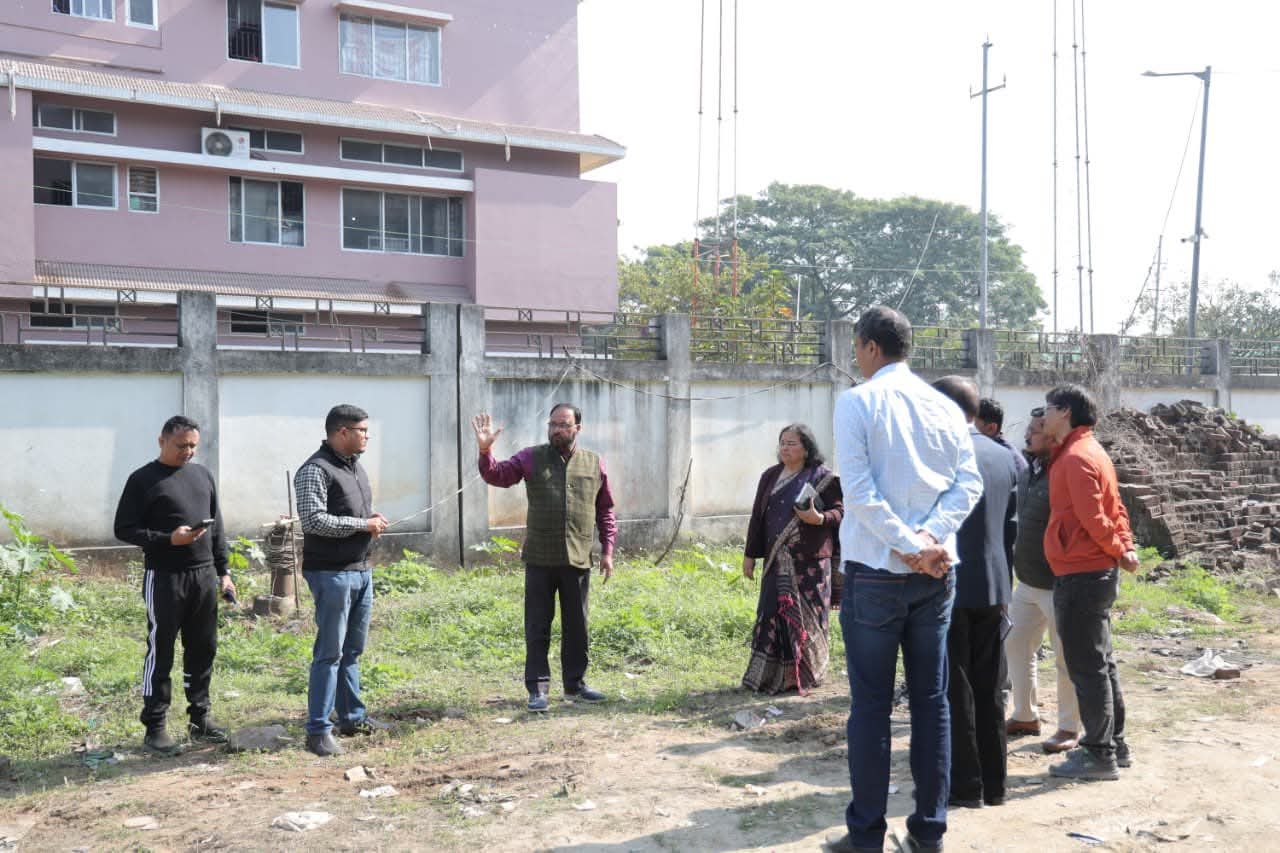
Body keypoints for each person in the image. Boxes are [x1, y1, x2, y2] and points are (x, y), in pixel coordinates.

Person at [825, 307, 984, 853]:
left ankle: (866, 835)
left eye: (856, 347)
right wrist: (929, 541)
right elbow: (968, 486)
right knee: (930, 701)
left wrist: (914, 547)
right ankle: (929, 832)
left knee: (870, 707)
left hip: (878, 573)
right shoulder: (945, 406)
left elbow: (861, 495)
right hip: (935, 574)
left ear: (869, 347)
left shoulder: (858, 401)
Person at [473, 404, 617, 712]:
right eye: (552, 424)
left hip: (577, 559)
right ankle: (537, 689)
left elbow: (605, 509)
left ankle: (575, 685)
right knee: (537, 625)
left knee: (578, 625)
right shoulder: (530, 457)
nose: (555, 430)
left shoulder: (594, 463)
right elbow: (497, 475)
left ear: (578, 428)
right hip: (540, 559)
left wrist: (608, 550)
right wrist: (486, 452)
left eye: (563, 425)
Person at [114, 415, 236, 754]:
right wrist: (169, 539)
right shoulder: (142, 480)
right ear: (162, 441)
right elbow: (124, 529)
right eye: (182, 446)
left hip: (204, 576)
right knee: (161, 651)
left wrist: (224, 572)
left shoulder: (202, 475)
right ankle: (155, 727)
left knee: (203, 648)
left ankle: (201, 718)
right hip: (164, 578)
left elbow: (218, 527)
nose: (188, 452)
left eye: (193, 446)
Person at [1041, 384, 1139, 781]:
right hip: (1089, 569)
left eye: (1045, 409)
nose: (1041, 416)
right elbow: (1115, 509)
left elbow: (1095, 517)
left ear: (1065, 411)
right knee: (1101, 663)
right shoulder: (1087, 451)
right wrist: (1124, 547)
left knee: (1087, 667)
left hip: (1082, 571)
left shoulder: (1078, 457)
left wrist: (1119, 549)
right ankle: (1114, 744)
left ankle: (1099, 754)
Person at [933, 377, 1017, 809]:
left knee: (955, 689)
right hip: (995, 585)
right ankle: (996, 785)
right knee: (990, 688)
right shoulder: (1003, 455)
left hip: (947, 585)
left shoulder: (940, 454)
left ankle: (966, 786)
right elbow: (1011, 530)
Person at [294, 404, 389, 758]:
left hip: (360, 569)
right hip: (330, 573)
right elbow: (314, 520)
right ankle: (318, 730)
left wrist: (370, 518)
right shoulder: (314, 471)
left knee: (352, 650)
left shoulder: (355, 468)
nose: (366, 436)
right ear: (342, 432)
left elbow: (350, 514)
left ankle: (352, 717)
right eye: (362, 430)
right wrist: (363, 525)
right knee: (329, 653)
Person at [741, 424, 844, 694]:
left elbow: (841, 513)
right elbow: (758, 518)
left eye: (792, 443)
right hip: (777, 560)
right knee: (772, 614)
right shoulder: (770, 476)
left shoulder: (824, 478)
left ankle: (806, 675)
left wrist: (819, 518)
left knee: (807, 620)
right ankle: (769, 676)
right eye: (782, 443)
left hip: (811, 563)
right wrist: (750, 555)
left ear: (806, 448)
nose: (785, 448)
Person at [1005, 407, 1081, 754]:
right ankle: (1025, 714)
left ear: (1052, 434)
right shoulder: (1028, 469)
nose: (1027, 435)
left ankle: (1069, 727)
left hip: (1060, 582)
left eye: (1035, 430)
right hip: (1029, 581)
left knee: (1067, 657)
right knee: (1017, 645)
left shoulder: (1065, 468)